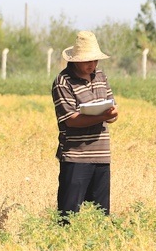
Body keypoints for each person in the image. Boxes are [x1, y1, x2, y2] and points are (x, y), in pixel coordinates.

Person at [51, 30, 118, 221]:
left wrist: (112, 114)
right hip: (75, 157)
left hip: (102, 155)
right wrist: (102, 116)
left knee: (100, 217)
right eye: (88, 60)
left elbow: (112, 110)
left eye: (95, 60)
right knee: (68, 217)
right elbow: (72, 120)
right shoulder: (62, 82)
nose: (93, 64)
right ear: (75, 60)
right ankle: (65, 250)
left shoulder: (101, 77)